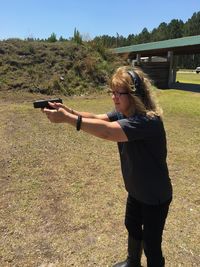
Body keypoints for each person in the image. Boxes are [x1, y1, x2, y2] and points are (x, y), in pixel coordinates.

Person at [42, 66, 173, 267]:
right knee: (132, 226)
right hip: (137, 190)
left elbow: (108, 133)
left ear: (134, 94)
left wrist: (68, 120)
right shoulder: (124, 113)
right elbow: (97, 118)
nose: (113, 97)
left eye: (118, 93)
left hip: (154, 196)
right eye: (112, 92)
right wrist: (69, 111)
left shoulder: (148, 120)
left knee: (152, 244)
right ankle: (132, 262)